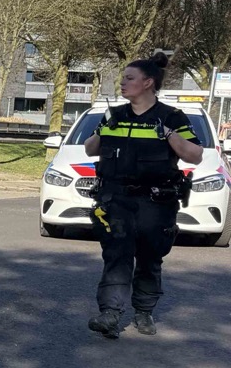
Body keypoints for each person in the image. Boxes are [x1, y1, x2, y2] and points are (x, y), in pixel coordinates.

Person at [84, 52, 204, 339]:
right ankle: (110, 313)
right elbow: (90, 149)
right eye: (123, 78)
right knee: (117, 254)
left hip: (156, 200)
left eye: (129, 78)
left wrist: (169, 135)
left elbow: (195, 155)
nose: (122, 83)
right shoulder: (115, 115)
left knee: (150, 257)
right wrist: (103, 131)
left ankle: (144, 311)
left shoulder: (171, 117)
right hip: (116, 198)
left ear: (148, 82)